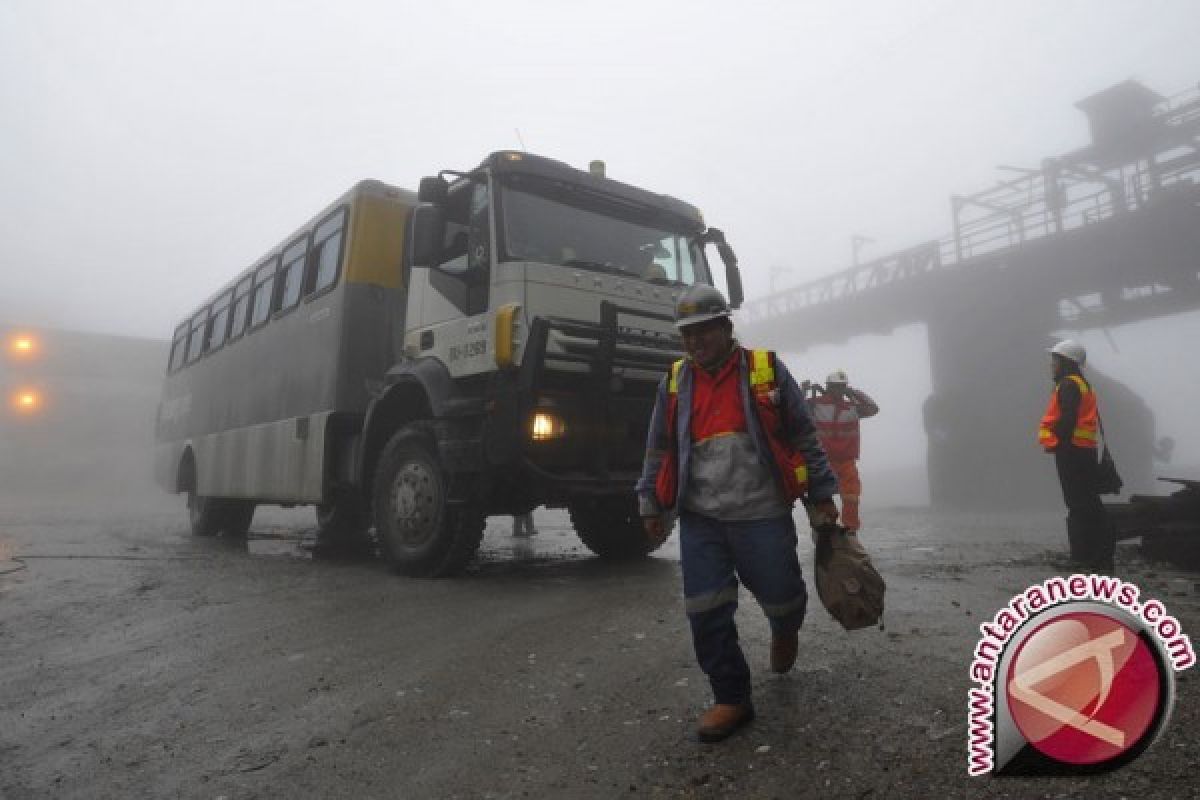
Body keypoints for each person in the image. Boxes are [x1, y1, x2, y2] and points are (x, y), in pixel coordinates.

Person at [636, 284, 839, 743]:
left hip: (763, 512)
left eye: (704, 329)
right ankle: (731, 696)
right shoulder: (673, 382)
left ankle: (785, 628)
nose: (695, 341)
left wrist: (822, 494)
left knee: (783, 594)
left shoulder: (764, 371)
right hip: (701, 517)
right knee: (705, 608)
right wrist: (650, 502)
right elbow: (658, 448)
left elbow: (804, 436)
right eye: (687, 333)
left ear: (726, 327)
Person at [1038, 339, 1114, 573]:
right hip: (1084, 450)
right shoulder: (1082, 384)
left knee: (1078, 505)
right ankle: (1099, 557)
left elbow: (1068, 418)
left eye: (1055, 359)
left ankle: (1083, 558)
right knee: (1088, 504)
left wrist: (1056, 441)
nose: (1052, 364)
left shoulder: (1069, 385)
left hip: (1072, 451)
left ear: (1066, 362)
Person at [806, 371, 879, 533]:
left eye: (843, 387)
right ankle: (825, 529)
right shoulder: (815, 404)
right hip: (823, 461)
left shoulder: (851, 407)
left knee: (851, 497)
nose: (839, 391)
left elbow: (873, 408)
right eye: (836, 387)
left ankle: (850, 531)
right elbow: (796, 409)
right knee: (822, 497)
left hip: (846, 461)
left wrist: (854, 393)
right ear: (829, 387)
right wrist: (802, 390)